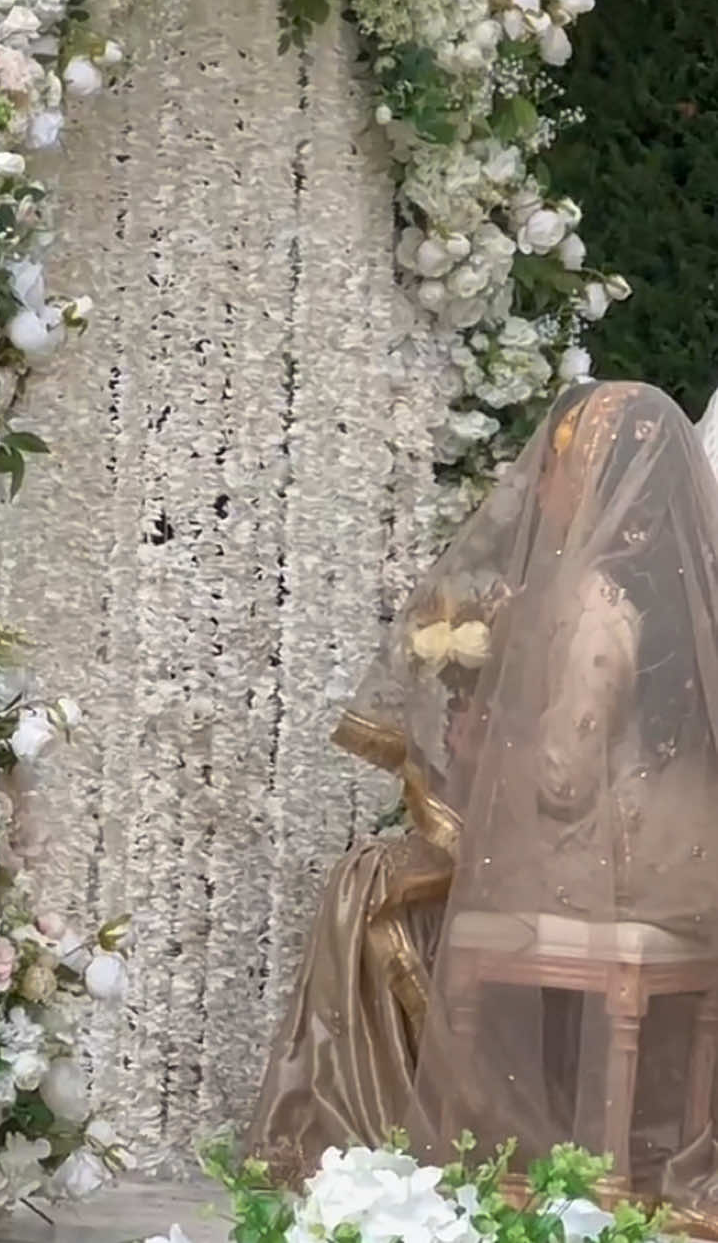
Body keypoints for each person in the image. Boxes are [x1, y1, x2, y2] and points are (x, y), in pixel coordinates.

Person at [248, 381, 718, 1219]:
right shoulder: (677, 591)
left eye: (562, 466)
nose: (543, 486)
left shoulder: (593, 600)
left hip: (602, 862)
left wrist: (478, 751)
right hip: (678, 860)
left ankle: (396, 1136)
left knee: (370, 881)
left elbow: (564, 781)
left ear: (603, 480)